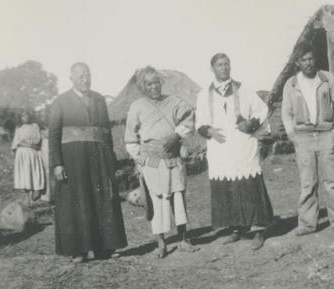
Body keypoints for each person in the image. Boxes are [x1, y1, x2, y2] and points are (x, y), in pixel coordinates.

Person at [49, 62, 127, 263]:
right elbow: (54, 135)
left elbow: (106, 131)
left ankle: (106, 247)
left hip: (99, 158)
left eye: (88, 75)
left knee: (102, 200)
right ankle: (79, 250)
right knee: (78, 201)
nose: (86, 79)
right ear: (72, 78)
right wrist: (57, 164)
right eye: (81, 76)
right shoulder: (60, 102)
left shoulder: (99, 99)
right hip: (73, 160)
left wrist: (111, 157)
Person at [196, 53, 274, 250]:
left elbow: (262, 109)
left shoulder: (244, 89)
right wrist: (209, 130)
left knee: (248, 185)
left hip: (242, 144)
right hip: (220, 148)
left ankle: (258, 230)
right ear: (212, 68)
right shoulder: (204, 94)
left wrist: (252, 123)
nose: (224, 68)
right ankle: (236, 228)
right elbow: (199, 122)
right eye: (220, 65)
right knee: (228, 187)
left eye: (227, 64)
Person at [125, 66, 198, 259]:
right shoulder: (137, 106)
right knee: (157, 201)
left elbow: (189, 120)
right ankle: (161, 243)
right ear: (143, 86)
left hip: (173, 158)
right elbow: (130, 138)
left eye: (156, 82)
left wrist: (176, 135)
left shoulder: (174, 101)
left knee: (178, 197)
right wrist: (139, 159)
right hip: (151, 161)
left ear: (161, 83)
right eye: (148, 84)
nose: (154, 87)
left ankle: (183, 239)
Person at [281, 47, 334, 236]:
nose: (308, 63)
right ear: (298, 63)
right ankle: (307, 224)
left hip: (326, 134)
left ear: (315, 60)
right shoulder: (291, 83)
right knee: (307, 182)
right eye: (304, 60)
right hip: (303, 137)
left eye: (311, 59)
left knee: (331, 180)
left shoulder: (326, 79)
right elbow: (286, 112)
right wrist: (291, 134)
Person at [12, 111, 46, 206]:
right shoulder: (19, 128)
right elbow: (16, 142)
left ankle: (36, 192)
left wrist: (29, 144)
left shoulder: (34, 126)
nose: (25, 117)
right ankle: (27, 198)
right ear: (20, 117)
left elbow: (38, 139)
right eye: (22, 116)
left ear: (30, 116)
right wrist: (16, 150)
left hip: (31, 152)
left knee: (33, 171)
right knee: (24, 174)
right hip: (21, 153)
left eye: (26, 115)